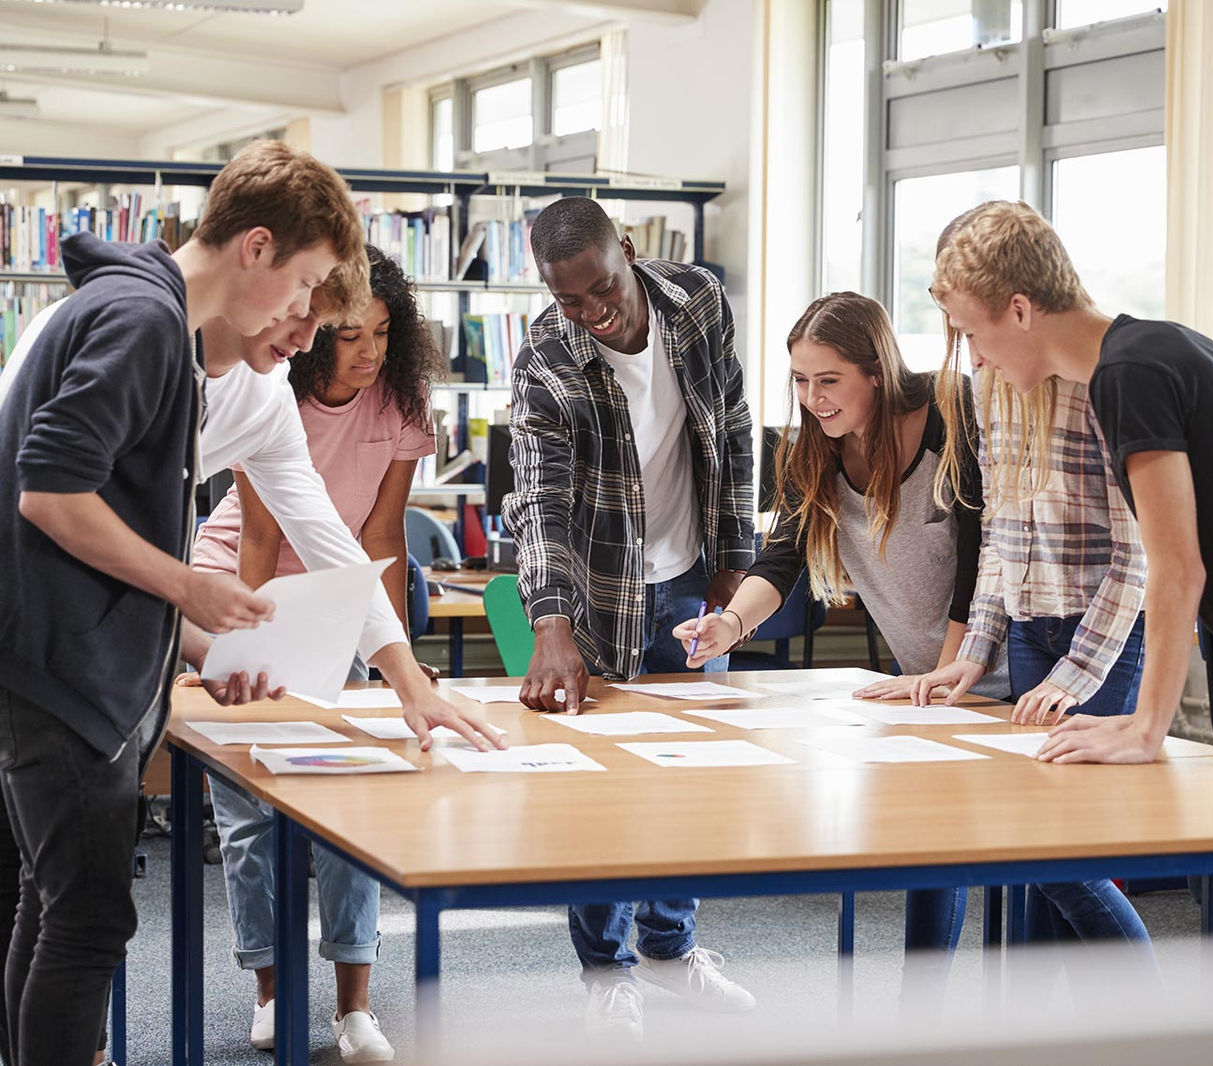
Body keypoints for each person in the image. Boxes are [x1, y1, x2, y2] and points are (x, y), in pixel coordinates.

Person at [0, 139, 353, 1066]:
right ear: (256, 248)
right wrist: (187, 584)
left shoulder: (141, 312)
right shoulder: (144, 320)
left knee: (50, 910)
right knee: (85, 926)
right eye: (303, 284)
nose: (301, 314)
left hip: (62, 662)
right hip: (60, 671)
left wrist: (193, 640)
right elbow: (51, 493)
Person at [675, 291, 1009, 968]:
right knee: (933, 850)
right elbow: (784, 554)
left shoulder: (954, 413)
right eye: (801, 380)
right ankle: (922, 1022)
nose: (813, 398)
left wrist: (946, 675)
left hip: (999, 662)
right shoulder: (818, 450)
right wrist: (731, 624)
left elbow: (980, 556)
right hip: (931, 677)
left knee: (1054, 871)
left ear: (876, 372)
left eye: (829, 380)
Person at [503, 196, 756, 1039]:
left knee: (689, 777)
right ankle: (607, 972)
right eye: (567, 297)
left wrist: (735, 556)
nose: (590, 310)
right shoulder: (547, 350)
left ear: (632, 252)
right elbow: (536, 494)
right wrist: (548, 622)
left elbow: (734, 424)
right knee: (599, 792)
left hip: (689, 580)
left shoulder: (697, 302)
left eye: (601, 287)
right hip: (599, 589)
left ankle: (671, 948)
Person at [187, 245, 444, 1062]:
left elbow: (378, 536)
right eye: (348, 337)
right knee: (251, 815)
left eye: (382, 333)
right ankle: (269, 990)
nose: (369, 352)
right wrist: (259, 655)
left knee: (352, 809)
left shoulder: (400, 400)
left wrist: (396, 656)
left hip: (343, 593)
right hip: (237, 583)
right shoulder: (271, 393)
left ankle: (354, 1007)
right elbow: (261, 535)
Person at [913, 202, 1151, 950]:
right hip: (1026, 634)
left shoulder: (1103, 383)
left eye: (974, 334)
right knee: (1035, 861)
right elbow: (1000, 534)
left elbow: (1139, 554)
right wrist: (972, 655)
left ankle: (1149, 1018)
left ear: (1017, 311)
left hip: (1101, 636)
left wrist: (1077, 675)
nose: (971, 357)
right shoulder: (989, 386)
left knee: (1064, 854)